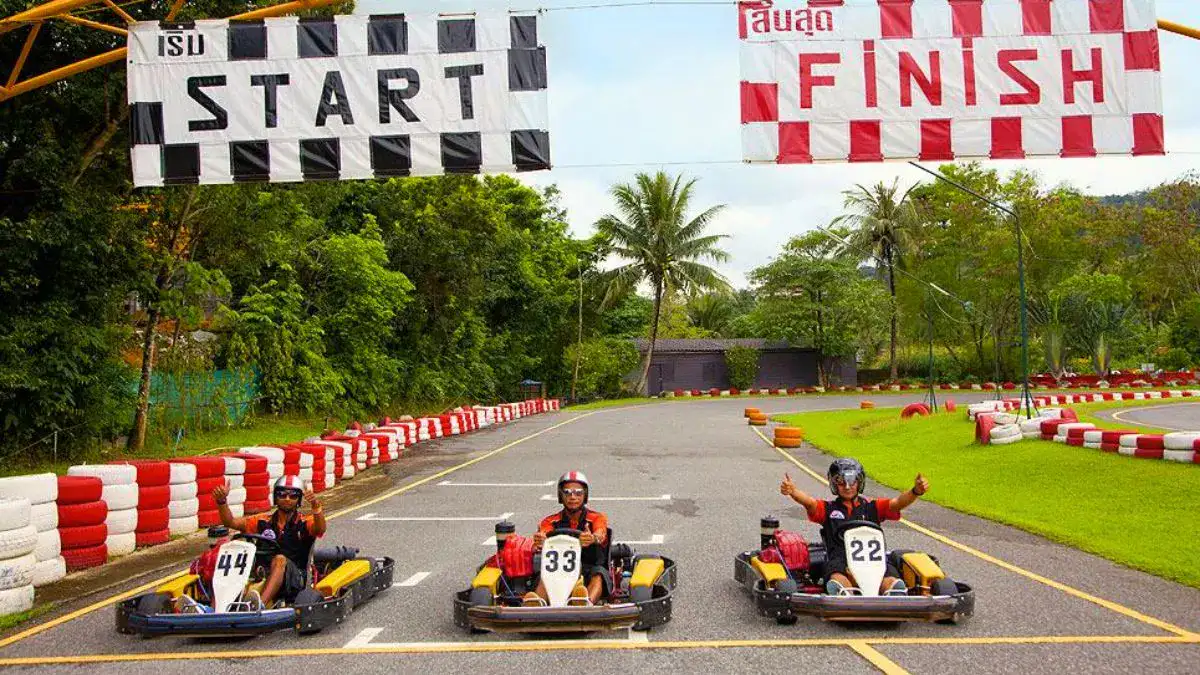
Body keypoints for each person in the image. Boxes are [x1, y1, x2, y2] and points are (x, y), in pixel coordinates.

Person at [779, 458, 929, 596]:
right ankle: (844, 593)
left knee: (890, 577)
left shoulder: (872, 507)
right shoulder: (828, 509)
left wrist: (915, 492)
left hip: (876, 562)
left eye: (852, 481)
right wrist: (793, 492)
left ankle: (892, 593)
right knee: (836, 575)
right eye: (841, 482)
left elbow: (897, 503)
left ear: (859, 482)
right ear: (834, 484)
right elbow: (809, 503)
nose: (847, 486)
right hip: (841, 560)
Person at [212, 475, 326, 608]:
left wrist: (316, 507)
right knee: (226, 552)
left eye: (293, 496)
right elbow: (230, 522)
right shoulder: (263, 521)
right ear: (275, 497)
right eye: (282, 495)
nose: (287, 499)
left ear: (299, 499)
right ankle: (216, 606)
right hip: (263, 571)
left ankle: (259, 605)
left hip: (295, 578)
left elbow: (320, 529)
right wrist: (221, 502)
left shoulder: (304, 522)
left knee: (279, 559)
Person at [523, 471, 609, 607]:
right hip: (557, 570)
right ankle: (537, 604)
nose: (572, 497)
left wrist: (593, 538)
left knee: (598, 574)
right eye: (567, 492)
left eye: (578, 492)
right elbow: (544, 532)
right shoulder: (550, 521)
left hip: (588, 568)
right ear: (560, 495)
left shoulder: (596, 518)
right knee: (544, 576)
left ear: (585, 495)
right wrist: (541, 539)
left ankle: (585, 603)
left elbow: (601, 533)